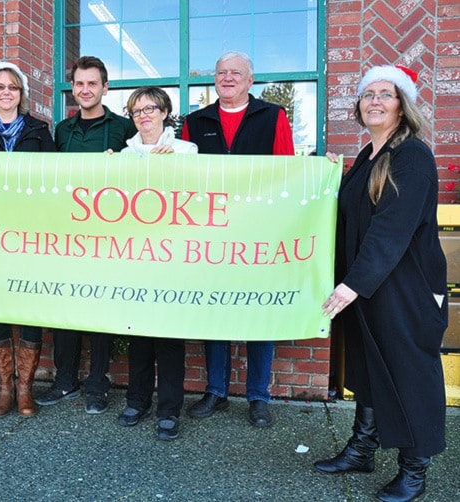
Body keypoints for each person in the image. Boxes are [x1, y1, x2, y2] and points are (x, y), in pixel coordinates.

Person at [313, 65, 446, 502]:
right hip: (368, 286)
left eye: (385, 94)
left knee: (409, 374)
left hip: (405, 288)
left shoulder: (413, 157)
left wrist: (353, 284)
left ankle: (414, 469)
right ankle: (363, 448)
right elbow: (345, 218)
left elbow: (392, 227)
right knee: (369, 369)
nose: (374, 100)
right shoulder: (367, 157)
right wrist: (330, 175)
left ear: (402, 106)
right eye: (367, 94)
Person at [181, 50, 295, 428]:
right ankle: (216, 391)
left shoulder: (273, 116)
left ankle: (258, 396)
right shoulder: (195, 122)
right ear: (214, 79)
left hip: (259, 234)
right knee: (215, 311)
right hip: (211, 236)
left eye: (236, 73)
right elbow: (181, 179)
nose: (227, 78)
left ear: (250, 80)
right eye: (221, 72)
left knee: (259, 313)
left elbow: (288, 172)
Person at [37, 55, 136, 414]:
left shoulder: (125, 128)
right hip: (69, 235)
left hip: (110, 236)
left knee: (101, 308)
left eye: (92, 83)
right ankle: (65, 380)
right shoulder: (62, 130)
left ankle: (98, 383)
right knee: (65, 307)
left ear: (105, 87)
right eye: (79, 84)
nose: (85, 90)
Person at [0, 61, 56, 417]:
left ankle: (25, 391)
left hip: (30, 232)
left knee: (30, 304)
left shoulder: (39, 130)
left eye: (13, 87)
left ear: (21, 94)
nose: (6, 92)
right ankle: (4, 388)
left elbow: (54, 179)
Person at [117, 86, 196, 440]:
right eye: (137, 110)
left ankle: (169, 409)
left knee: (168, 339)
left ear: (165, 112)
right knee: (137, 335)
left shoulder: (186, 151)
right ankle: (137, 401)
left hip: (172, 258)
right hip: (135, 256)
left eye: (151, 108)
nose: (144, 115)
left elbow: (198, 195)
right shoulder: (124, 153)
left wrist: (175, 166)